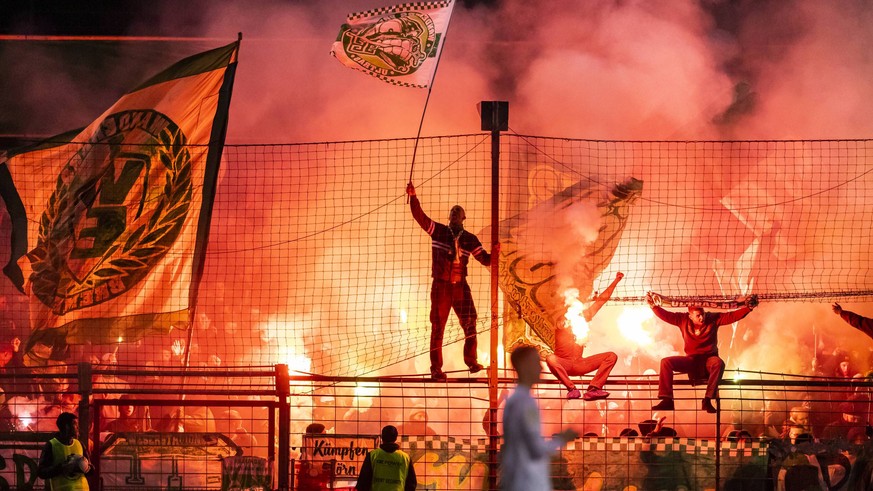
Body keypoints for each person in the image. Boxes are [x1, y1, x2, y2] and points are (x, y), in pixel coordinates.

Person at [407, 182, 499, 381]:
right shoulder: (438, 231)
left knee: (470, 323)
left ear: (463, 218)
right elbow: (420, 217)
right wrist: (413, 197)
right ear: (449, 218)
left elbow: (485, 259)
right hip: (441, 287)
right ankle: (436, 369)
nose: (455, 214)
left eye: (458, 213)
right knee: (438, 327)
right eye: (453, 213)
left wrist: (497, 253)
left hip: (460, 287)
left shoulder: (470, 239)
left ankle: (472, 362)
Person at [647, 293, 758, 413]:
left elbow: (731, 316)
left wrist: (748, 308)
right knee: (666, 362)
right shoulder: (682, 319)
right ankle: (667, 400)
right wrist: (653, 307)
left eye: (703, 314)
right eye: (698, 316)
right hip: (692, 360)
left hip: (709, 359)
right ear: (690, 316)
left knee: (718, 363)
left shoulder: (712, 318)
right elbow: (666, 315)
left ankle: (707, 400)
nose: (702, 318)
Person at [500, 345, 578, 491]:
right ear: (524, 366)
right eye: (536, 362)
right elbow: (536, 448)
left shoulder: (515, 400)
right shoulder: (525, 403)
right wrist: (562, 439)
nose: (541, 368)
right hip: (528, 482)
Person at [546, 272, 623, 400]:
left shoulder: (583, 318)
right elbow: (560, 323)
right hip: (563, 363)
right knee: (550, 358)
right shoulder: (562, 322)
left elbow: (601, 300)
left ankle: (594, 389)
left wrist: (616, 280)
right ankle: (571, 389)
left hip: (580, 364)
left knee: (611, 356)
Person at [37, 412, 91, 491]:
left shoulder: (80, 444)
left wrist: (84, 466)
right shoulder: (51, 445)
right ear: (67, 427)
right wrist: (61, 467)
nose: (78, 427)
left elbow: (91, 469)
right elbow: (41, 472)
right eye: (75, 424)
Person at [356, 425, 417, 491]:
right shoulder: (405, 458)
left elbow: (363, 482)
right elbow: (411, 484)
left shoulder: (373, 455)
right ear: (396, 438)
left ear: (382, 437)